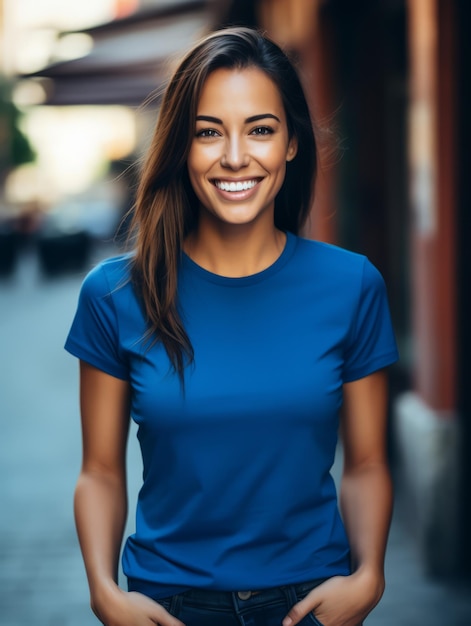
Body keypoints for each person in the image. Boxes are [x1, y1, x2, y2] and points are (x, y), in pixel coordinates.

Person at [65, 27, 399, 626]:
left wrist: (369, 576)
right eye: (208, 132)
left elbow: (368, 462)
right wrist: (103, 591)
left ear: (292, 143)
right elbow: (100, 471)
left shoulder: (351, 286)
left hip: (311, 605)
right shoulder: (114, 295)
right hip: (167, 607)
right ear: (181, 147)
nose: (236, 156)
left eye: (261, 130)